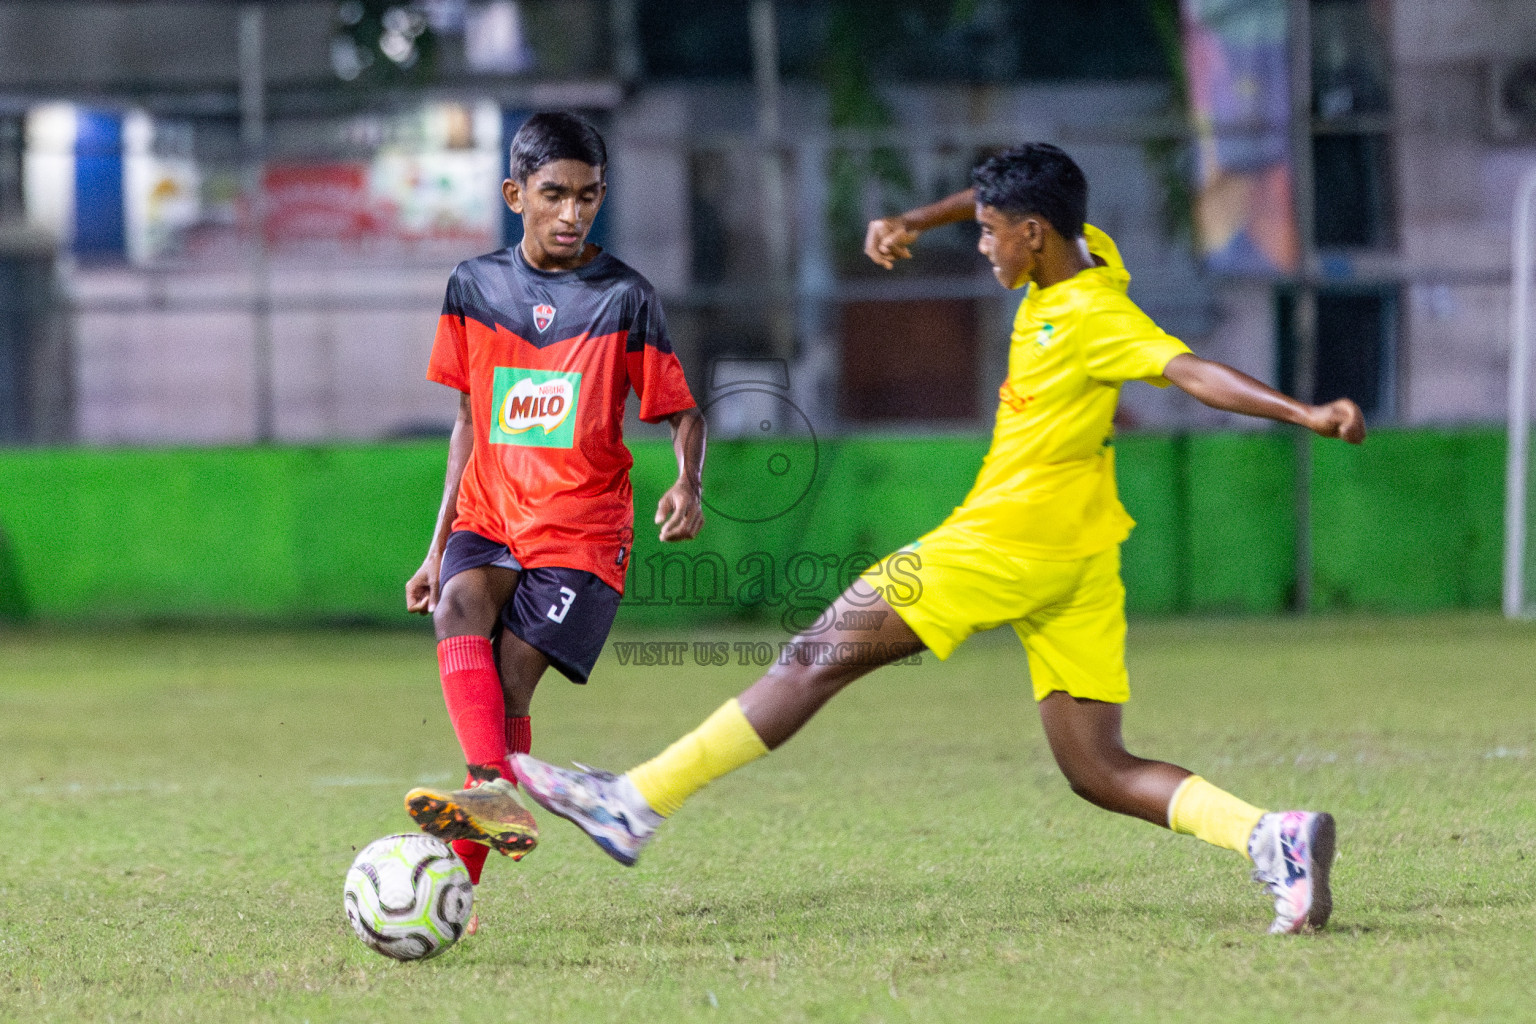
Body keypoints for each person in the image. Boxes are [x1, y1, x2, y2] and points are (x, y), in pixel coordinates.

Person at [462, 143, 1362, 934]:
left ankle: (633, 803)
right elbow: (988, 199)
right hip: (1080, 564)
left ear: (1036, 236)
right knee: (1096, 766)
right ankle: (1269, 837)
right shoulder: (1087, 256)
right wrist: (911, 219)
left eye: (992, 233)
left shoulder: (1092, 315)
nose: (981, 244)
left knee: (813, 658)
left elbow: (1190, 370)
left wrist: (1305, 412)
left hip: (1002, 545)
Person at [401, 112, 705, 931]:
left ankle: (460, 876)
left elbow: (680, 409)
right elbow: (467, 422)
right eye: (553, 195)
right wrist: (435, 551)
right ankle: (480, 837)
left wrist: (688, 482)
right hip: (491, 511)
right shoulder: (473, 286)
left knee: (506, 689)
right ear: (515, 195)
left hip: (581, 532)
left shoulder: (624, 296)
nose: (573, 213)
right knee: (456, 608)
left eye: (588, 196)